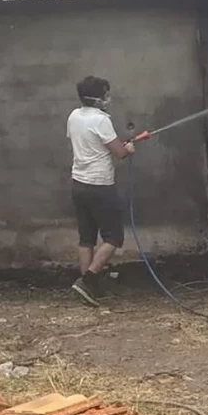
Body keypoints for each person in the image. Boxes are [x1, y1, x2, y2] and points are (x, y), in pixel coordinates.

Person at [67, 75, 135, 305]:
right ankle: (89, 280)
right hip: (100, 186)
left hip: (79, 184)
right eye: (106, 94)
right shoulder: (101, 120)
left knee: (86, 237)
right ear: (97, 98)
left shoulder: (74, 116)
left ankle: (87, 288)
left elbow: (91, 143)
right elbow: (120, 152)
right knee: (113, 237)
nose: (108, 98)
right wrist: (129, 148)